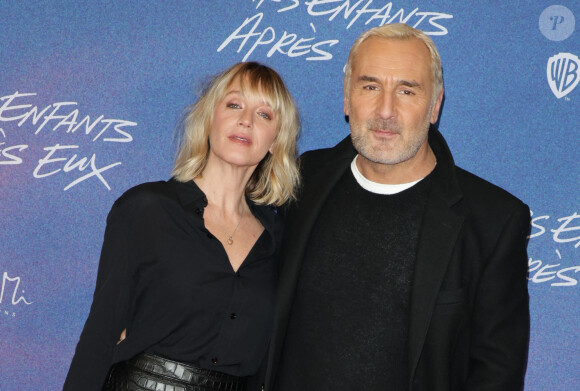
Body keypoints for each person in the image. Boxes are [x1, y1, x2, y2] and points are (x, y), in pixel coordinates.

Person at [265, 24, 530, 390]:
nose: (385, 110)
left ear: (435, 106)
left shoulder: (493, 221)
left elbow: (496, 374)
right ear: (346, 97)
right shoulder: (301, 180)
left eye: (406, 90)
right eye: (370, 86)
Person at [63, 62, 300, 391]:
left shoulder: (278, 236)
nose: (246, 120)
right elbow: (100, 337)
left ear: (275, 141)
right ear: (209, 120)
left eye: (264, 114)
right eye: (234, 105)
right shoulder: (147, 209)